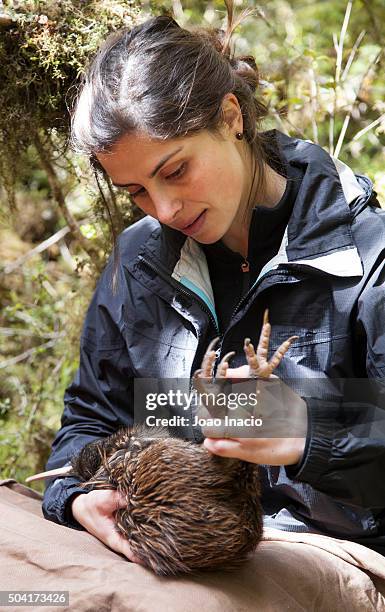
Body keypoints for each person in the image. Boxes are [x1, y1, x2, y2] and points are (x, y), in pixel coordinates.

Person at [42, 5, 385, 582]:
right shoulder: (138, 262)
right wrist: (75, 500)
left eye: (175, 171)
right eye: (137, 192)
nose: (165, 211)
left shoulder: (368, 259)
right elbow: (89, 420)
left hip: (326, 549)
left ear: (231, 117)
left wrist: (307, 431)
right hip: (167, 538)